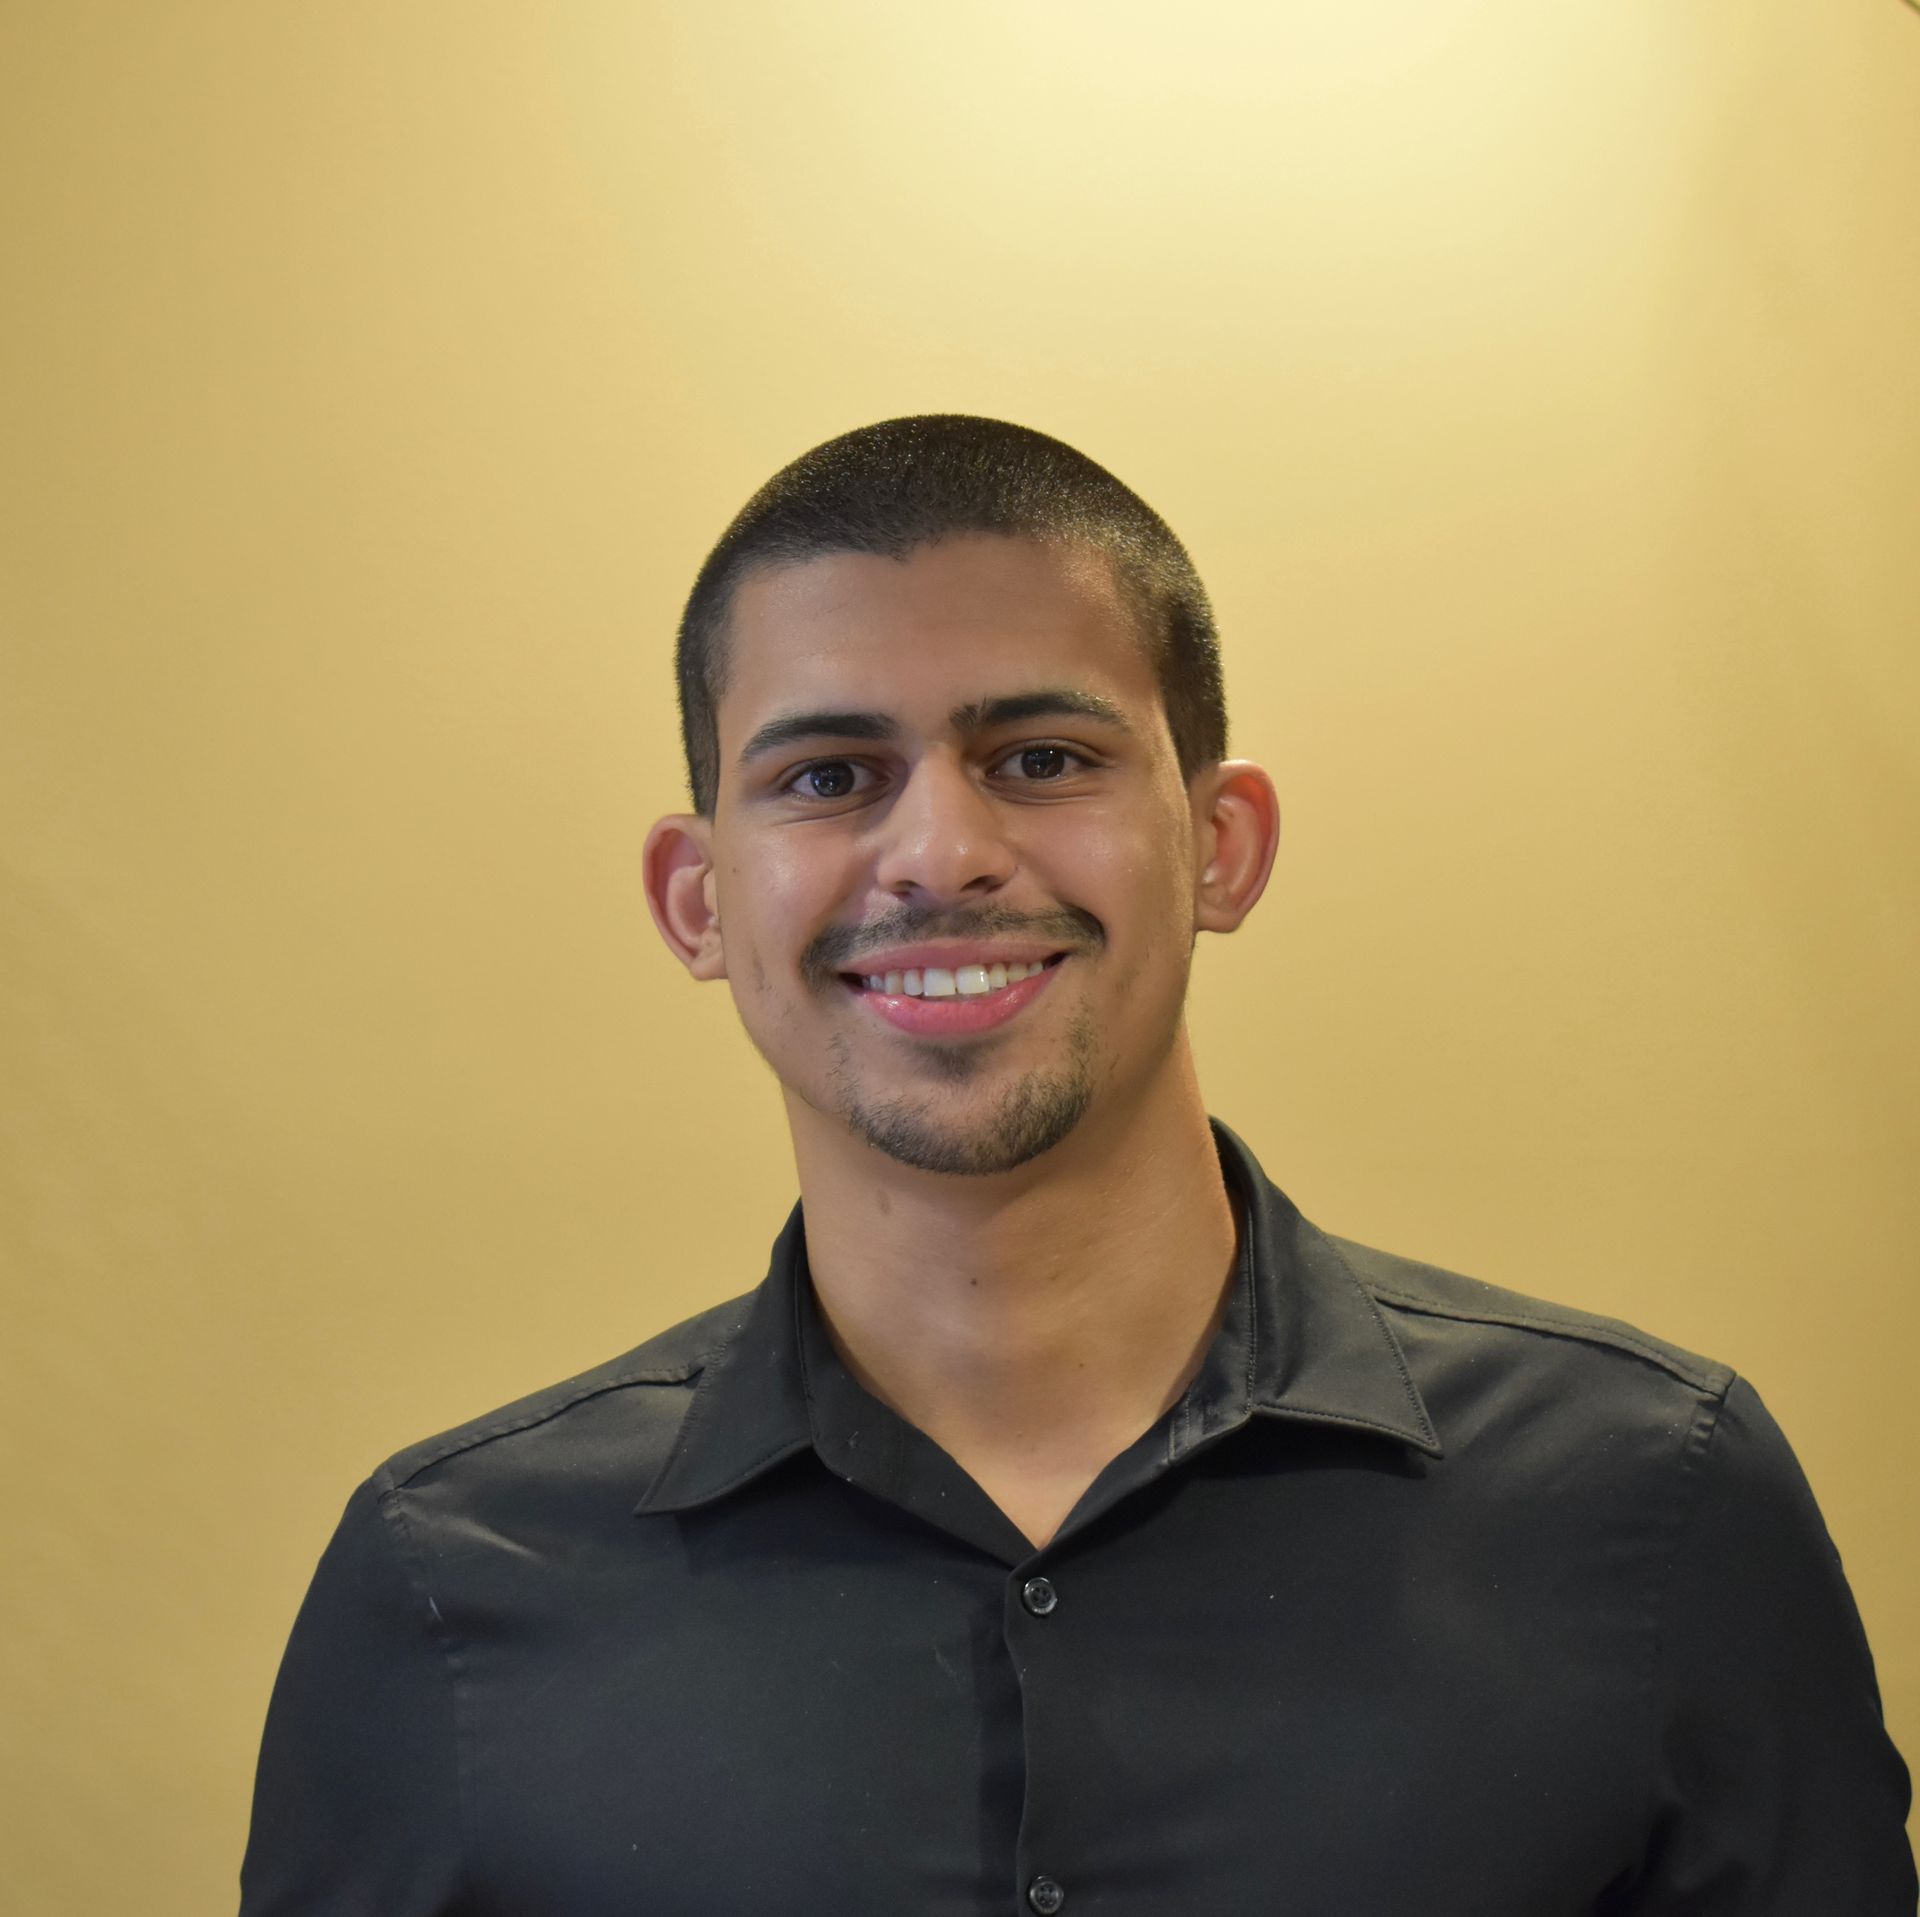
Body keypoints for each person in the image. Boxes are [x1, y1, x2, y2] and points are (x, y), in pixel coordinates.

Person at [238, 416, 1915, 1914]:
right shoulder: (447, 1587)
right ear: (699, 897)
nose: (942, 853)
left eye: (1042, 757)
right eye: (830, 777)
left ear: (1223, 844)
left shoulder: (1658, 1505)